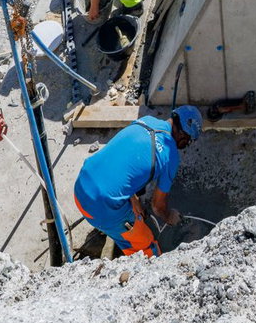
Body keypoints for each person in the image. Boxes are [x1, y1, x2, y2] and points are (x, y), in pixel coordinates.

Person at [72, 105, 201, 257]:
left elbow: (124, 162)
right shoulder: (170, 155)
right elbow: (157, 207)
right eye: (188, 142)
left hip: (81, 187)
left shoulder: (146, 121)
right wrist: (169, 216)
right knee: (148, 252)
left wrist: (134, 199)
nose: (186, 145)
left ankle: (109, 230)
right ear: (184, 136)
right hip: (101, 208)